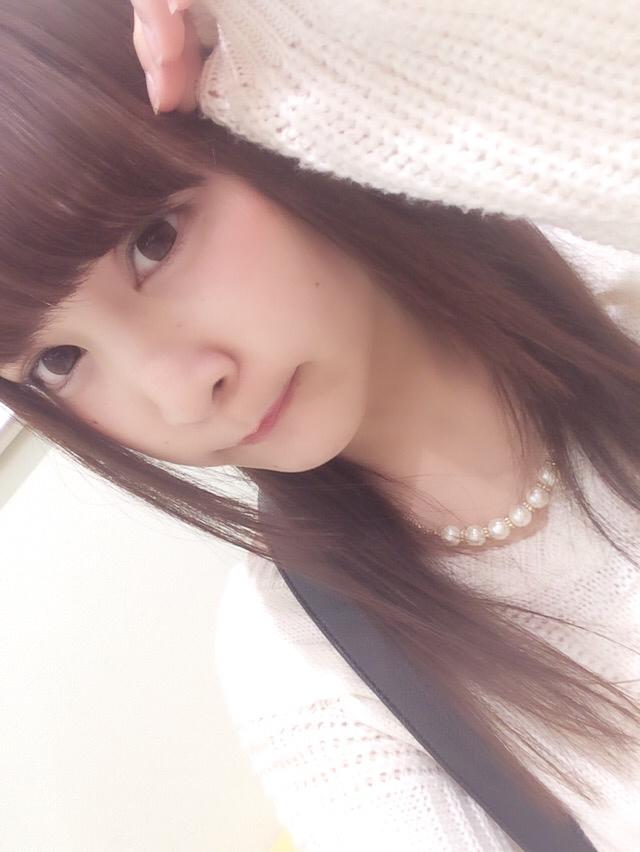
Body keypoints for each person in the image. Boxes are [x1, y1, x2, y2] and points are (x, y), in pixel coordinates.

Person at [1, 0, 640, 848]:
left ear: (245, 111)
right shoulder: (306, 672)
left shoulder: (615, 246)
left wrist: (316, 36)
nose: (183, 396)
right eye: (57, 361)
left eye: (155, 241)